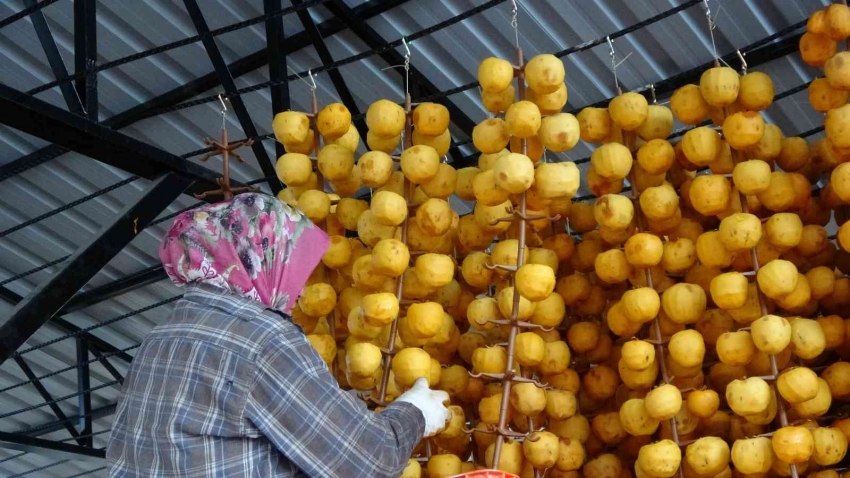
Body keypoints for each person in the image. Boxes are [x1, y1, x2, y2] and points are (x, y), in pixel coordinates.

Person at [106, 193, 451, 477]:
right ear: (262, 259)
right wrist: (414, 412)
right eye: (294, 266)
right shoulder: (261, 339)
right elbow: (365, 461)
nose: (298, 287)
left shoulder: (162, 336)